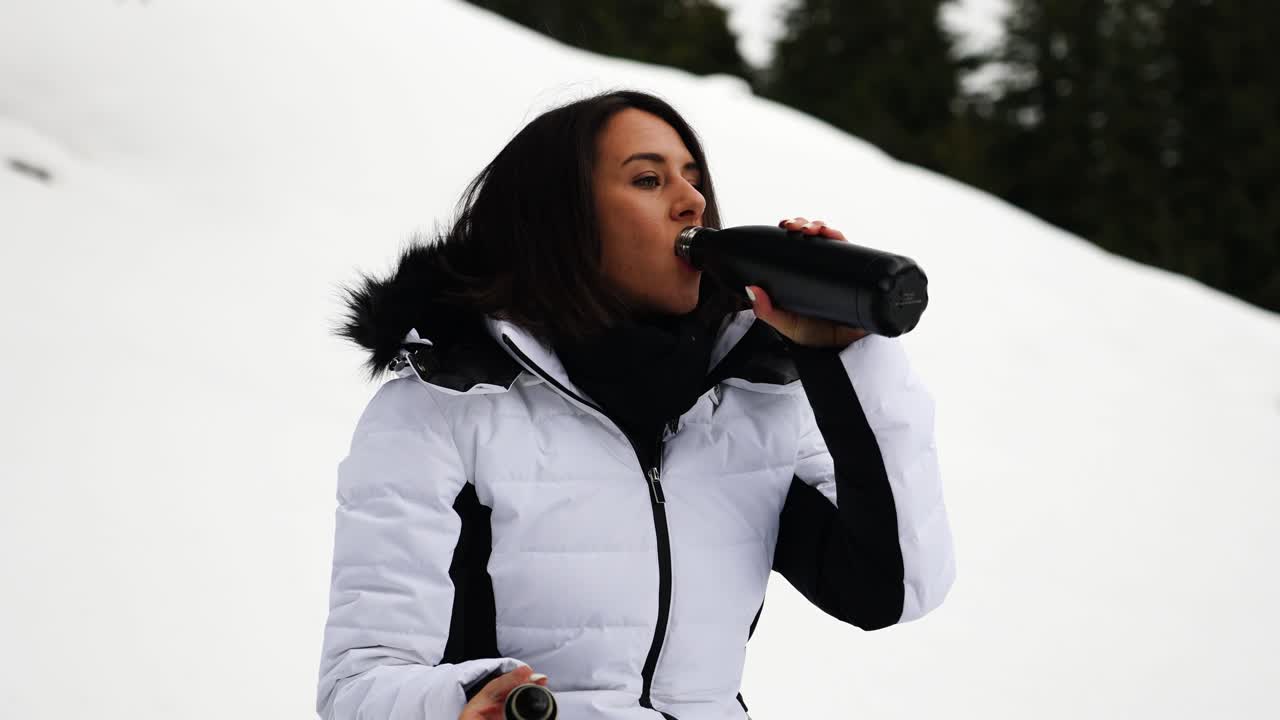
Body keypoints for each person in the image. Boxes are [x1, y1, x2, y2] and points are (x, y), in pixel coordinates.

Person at [316, 89, 955, 720]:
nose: (692, 201)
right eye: (648, 179)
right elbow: (360, 685)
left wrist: (845, 355)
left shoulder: (752, 398)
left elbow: (891, 590)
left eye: (693, 178)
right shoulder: (445, 404)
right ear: (559, 220)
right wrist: (476, 702)